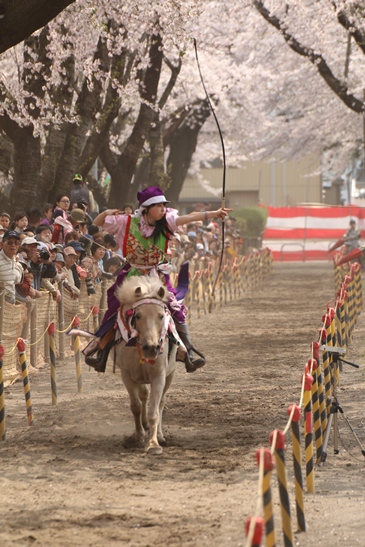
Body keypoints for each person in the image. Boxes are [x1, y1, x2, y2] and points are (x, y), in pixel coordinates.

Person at [84, 185, 231, 373]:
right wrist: (105, 212)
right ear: (146, 208)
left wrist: (214, 214)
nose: (163, 209)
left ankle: (188, 351)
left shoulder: (167, 222)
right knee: (114, 306)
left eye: (164, 205)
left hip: (157, 276)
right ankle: (100, 350)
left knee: (175, 308)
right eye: (158, 206)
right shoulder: (126, 221)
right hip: (132, 275)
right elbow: (96, 225)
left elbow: (189, 217)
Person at [0, 229, 24, 303]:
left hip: (10, 306)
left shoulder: (15, 260)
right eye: (9, 242)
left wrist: (18, 264)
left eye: (16, 243)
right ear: (2, 244)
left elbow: (17, 280)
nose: (13, 245)